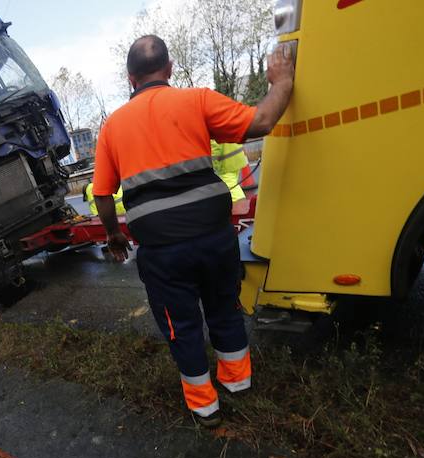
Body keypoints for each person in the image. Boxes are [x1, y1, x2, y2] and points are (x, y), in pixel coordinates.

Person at [91, 35, 294, 428]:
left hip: (162, 251)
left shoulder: (113, 126)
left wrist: (114, 233)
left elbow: (101, 194)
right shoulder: (197, 100)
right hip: (214, 237)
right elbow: (261, 121)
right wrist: (282, 81)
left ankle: (205, 408)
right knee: (224, 307)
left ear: (130, 78)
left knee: (180, 327)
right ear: (168, 69)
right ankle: (238, 383)